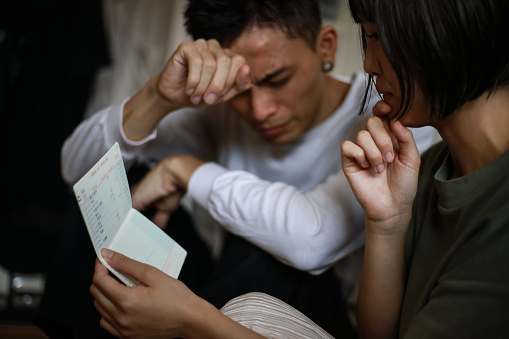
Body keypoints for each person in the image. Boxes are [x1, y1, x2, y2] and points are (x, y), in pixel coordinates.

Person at [60, 0, 437, 337]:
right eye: (240, 90)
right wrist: (158, 96)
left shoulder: (389, 116)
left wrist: (184, 170)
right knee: (119, 197)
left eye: (278, 80)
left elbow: (312, 241)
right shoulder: (219, 111)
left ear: (326, 46)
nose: (260, 111)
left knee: (264, 247)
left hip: (323, 320)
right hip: (227, 295)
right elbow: (79, 172)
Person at [340, 0, 509, 338]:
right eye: (367, 38)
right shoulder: (431, 166)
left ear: (447, 33)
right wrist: (386, 223)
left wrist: (202, 322)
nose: (369, 64)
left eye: (379, 37)